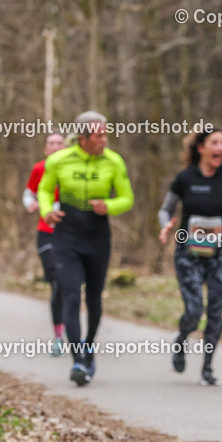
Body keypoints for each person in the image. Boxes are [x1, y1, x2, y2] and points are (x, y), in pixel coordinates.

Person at [158, 128, 222, 386]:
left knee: (215, 313)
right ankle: (181, 340)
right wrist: (165, 225)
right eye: (215, 143)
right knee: (194, 310)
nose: (221, 148)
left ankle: (207, 367)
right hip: (188, 253)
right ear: (201, 147)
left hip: (219, 254)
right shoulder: (185, 178)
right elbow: (165, 209)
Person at [38, 111, 134, 386]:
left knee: (94, 299)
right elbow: (44, 190)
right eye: (99, 135)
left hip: (98, 235)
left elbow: (127, 197)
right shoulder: (59, 160)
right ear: (82, 138)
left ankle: (89, 348)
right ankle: (77, 359)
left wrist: (110, 206)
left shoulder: (114, 161)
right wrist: (46, 210)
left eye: (106, 133)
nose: (105, 139)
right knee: (70, 296)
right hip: (67, 235)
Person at [23, 131, 67, 356]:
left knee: (71, 284)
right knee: (57, 281)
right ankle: (59, 335)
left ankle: (74, 331)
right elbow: (28, 194)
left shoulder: (72, 170)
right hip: (47, 233)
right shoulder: (39, 168)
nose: (56, 146)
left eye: (60, 142)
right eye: (51, 143)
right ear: (45, 148)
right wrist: (31, 204)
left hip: (70, 234)